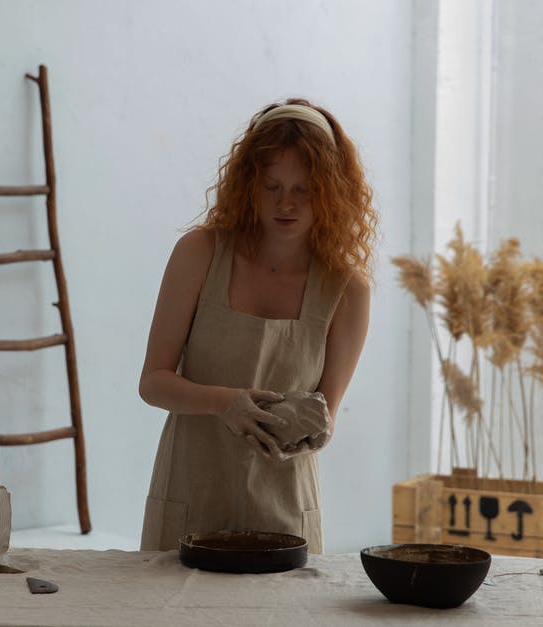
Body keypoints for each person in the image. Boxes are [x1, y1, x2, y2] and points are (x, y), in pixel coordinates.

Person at [138, 98, 377, 553]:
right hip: (191, 491)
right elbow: (153, 383)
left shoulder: (348, 289)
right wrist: (225, 403)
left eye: (304, 190)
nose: (285, 203)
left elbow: (326, 414)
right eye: (271, 186)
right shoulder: (200, 253)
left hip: (284, 507)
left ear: (331, 194)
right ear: (248, 185)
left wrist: (307, 433)